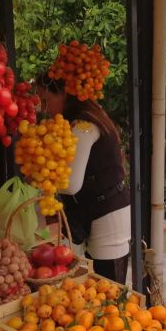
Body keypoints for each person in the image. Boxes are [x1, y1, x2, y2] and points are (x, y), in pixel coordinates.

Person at [36, 73, 131, 285]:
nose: (44, 108)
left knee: (109, 286)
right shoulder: (82, 121)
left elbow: (70, 185)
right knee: (95, 285)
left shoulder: (83, 127)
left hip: (108, 214)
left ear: (63, 94)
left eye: (46, 100)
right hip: (95, 209)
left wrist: (38, 177)